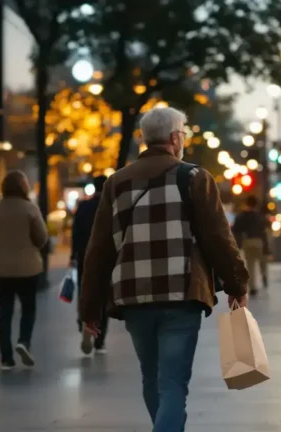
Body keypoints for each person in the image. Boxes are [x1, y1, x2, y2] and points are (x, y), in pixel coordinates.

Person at [78, 107, 249, 431]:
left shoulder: (116, 183)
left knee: (152, 378)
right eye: (182, 134)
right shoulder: (195, 178)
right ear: (174, 138)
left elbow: (99, 249)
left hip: (134, 296)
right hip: (181, 295)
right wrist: (237, 284)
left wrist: (90, 308)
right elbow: (217, 238)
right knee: (172, 383)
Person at [0, 170, 48, 370]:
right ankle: (23, 341)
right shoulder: (30, 208)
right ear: (23, 186)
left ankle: (6, 358)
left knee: (5, 311)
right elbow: (42, 237)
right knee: (28, 308)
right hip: (27, 268)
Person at [71, 175, 109, 356]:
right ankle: (99, 341)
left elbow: (76, 232)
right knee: (104, 297)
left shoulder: (84, 206)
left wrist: (73, 254)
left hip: (84, 256)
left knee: (85, 293)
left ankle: (85, 324)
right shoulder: (111, 206)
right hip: (106, 258)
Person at [232, 195, 269, 295]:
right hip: (259, 241)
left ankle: (252, 287)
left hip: (247, 241)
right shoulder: (259, 216)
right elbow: (264, 232)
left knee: (250, 265)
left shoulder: (241, 216)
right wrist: (267, 248)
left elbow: (235, 230)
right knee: (263, 261)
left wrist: (238, 244)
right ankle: (264, 275)